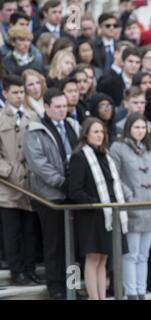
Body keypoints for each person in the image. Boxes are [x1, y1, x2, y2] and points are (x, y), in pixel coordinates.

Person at [23, 88, 80, 299]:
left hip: (74, 196)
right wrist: (62, 182)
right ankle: (56, 287)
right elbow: (39, 165)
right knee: (55, 245)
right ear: (46, 107)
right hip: (51, 197)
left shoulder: (73, 125)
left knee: (73, 247)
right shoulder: (35, 131)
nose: (62, 110)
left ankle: (72, 287)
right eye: (57, 107)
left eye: (65, 106)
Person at [68, 117, 129, 300]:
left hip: (109, 214)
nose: (100, 135)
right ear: (86, 134)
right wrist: (95, 203)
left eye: (102, 131)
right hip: (92, 215)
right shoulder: (79, 157)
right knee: (93, 259)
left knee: (103, 259)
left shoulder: (106, 155)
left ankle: (102, 297)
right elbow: (75, 190)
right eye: (95, 131)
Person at [110, 112, 151, 300]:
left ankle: (141, 292)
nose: (140, 131)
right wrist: (129, 196)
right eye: (136, 127)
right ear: (128, 129)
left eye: (143, 127)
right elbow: (114, 175)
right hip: (131, 208)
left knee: (144, 254)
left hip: (150, 208)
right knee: (130, 254)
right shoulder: (118, 148)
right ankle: (130, 292)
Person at [0, 75, 42, 286]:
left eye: (21, 92)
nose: (19, 96)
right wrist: (7, 170)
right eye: (14, 92)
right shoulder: (0, 118)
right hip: (7, 185)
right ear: (5, 93)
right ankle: (17, 271)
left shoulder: (32, 117)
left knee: (29, 231)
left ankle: (30, 269)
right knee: (12, 230)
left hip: (30, 184)